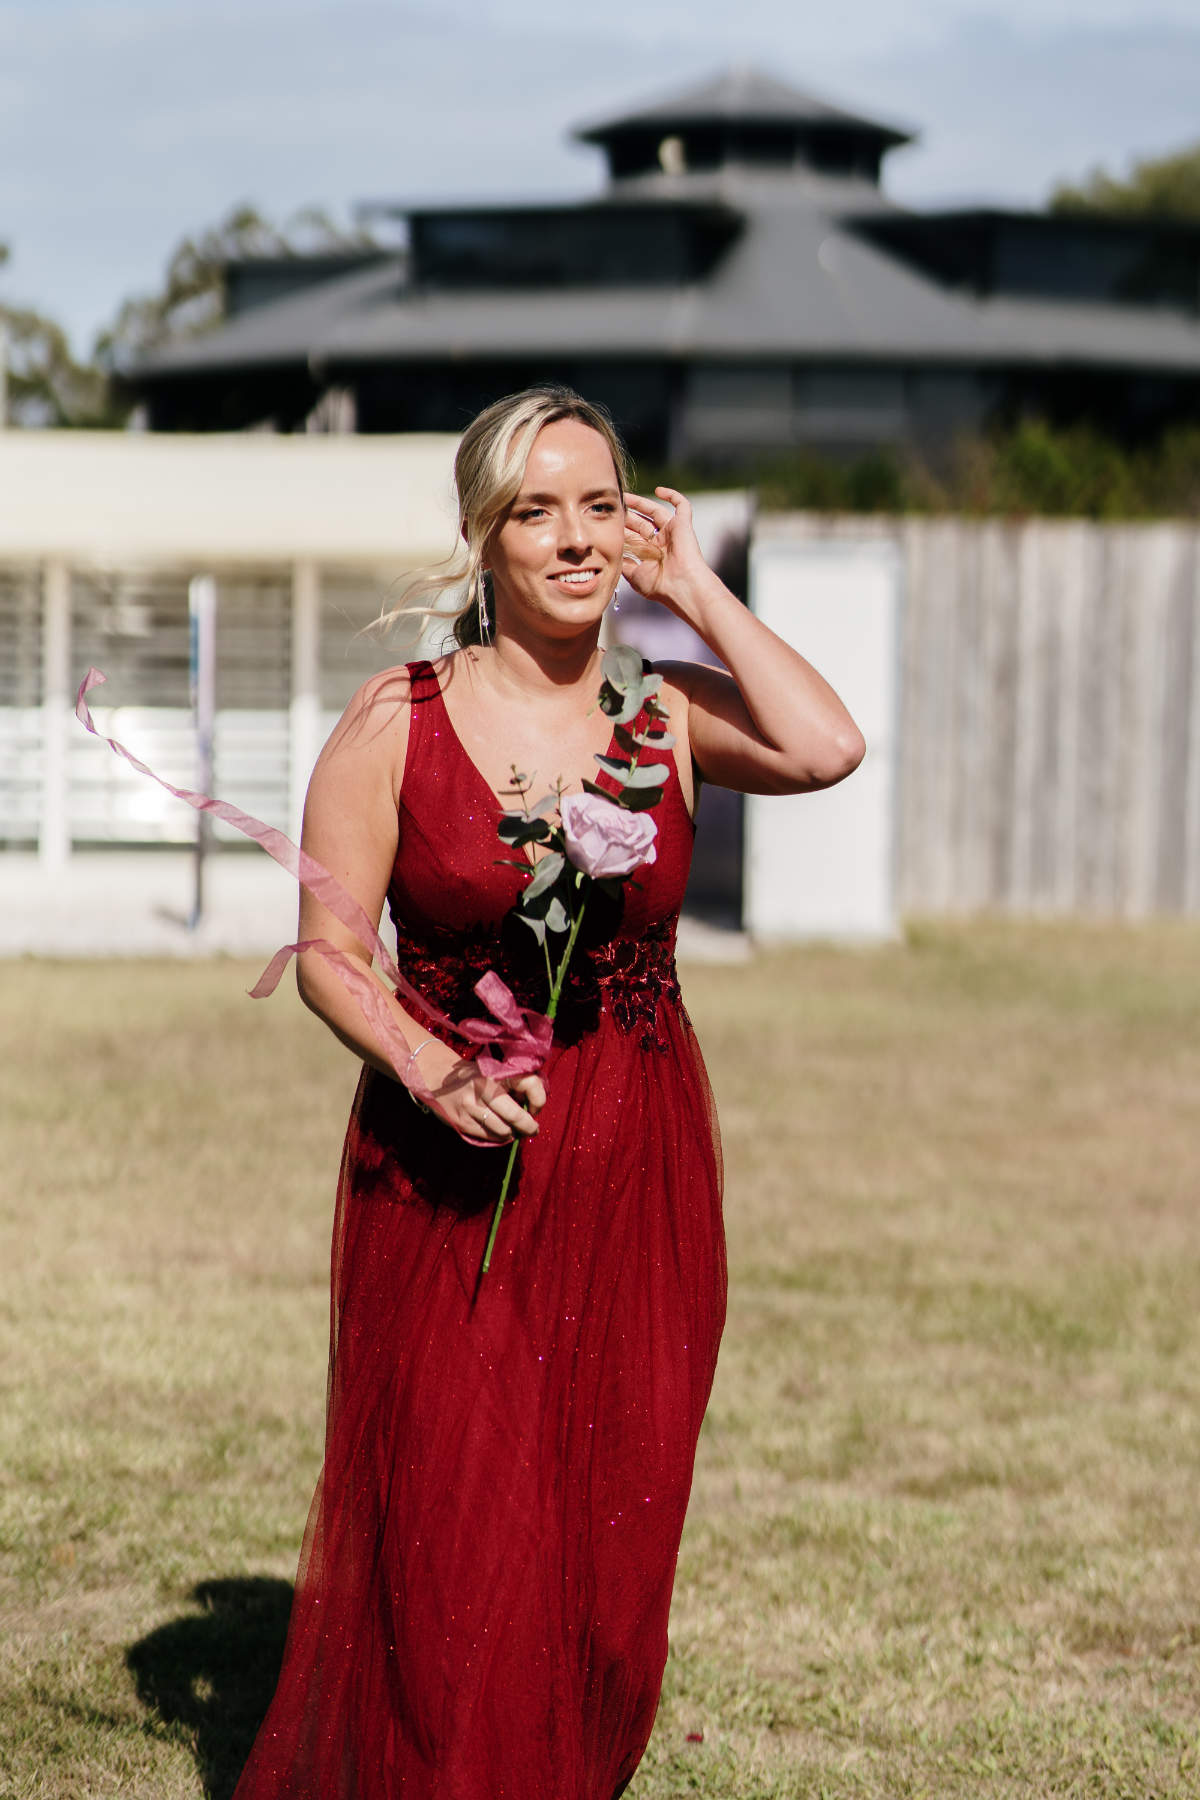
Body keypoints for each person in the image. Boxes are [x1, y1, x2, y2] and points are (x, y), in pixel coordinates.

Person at [231, 386, 864, 1800]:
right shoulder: (398, 722)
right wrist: (423, 1060)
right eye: (537, 510)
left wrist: (692, 587)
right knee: (461, 1530)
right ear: (483, 536)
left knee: (604, 1541)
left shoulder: (672, 716)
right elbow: (330, 953)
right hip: (454, 1164)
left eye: (600, 505)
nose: (574, 540)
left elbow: (828, 747)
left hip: (639, 1162)